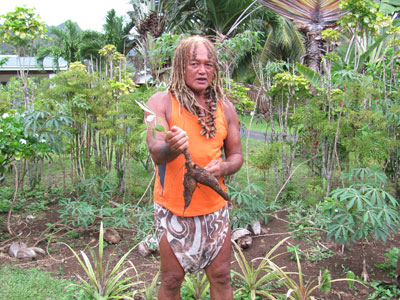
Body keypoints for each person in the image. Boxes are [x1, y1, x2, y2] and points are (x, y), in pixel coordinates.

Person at [145, 35, 243, 300]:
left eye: (208, 64)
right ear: (180, 66)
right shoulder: (161, 102)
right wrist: (171, 147)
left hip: (215, 210)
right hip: (173, 211)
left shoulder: (225, 108)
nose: (202, 70)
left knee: (222, 276)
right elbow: (156, 151)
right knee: (171, 279)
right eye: (194, 64)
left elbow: (236, 156)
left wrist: (222, 168)